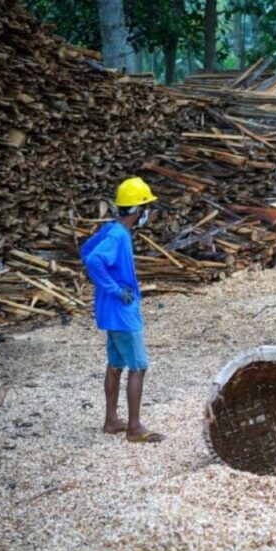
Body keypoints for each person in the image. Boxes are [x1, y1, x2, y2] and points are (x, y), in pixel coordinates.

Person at [81, 177, 164, 443]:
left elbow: (85, 250)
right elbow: (93, 260)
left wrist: (110, 287)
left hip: (111, 311)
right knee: (138, 366)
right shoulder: (118, 235)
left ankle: (111, 420)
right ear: (138, 210)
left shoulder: (111, 230)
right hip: (122, 312)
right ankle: (135, 427)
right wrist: (116, 289)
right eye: (146, 208)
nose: (147, 213)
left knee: (116, 364)